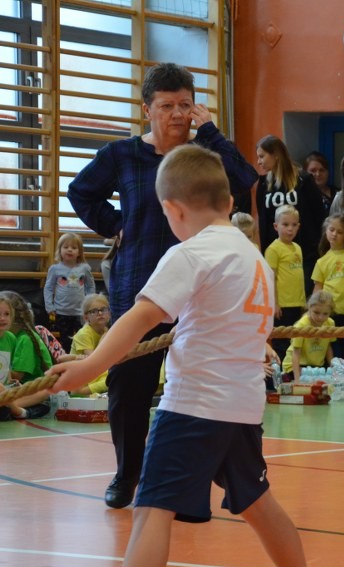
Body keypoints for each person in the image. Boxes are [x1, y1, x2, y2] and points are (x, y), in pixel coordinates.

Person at [37, 145, 324, 567]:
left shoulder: (190, 254)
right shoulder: (254, 259)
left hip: (194, 406)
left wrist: (87, 366)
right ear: (228, 200)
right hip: (242, 406)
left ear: (171, 209)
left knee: (151, 510)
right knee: (258, 502)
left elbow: (139, 318)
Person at [67, 62, 258, 509]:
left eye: (184, 105)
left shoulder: (203, 156)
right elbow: (81, 192)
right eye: (167, 106)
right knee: (128, 386)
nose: (177, 114)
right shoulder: (121, 155)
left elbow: (245, 180)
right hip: (142, 285)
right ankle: (127, 473)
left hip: (203, 293)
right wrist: (116, 224)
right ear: (146, 109)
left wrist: (209, 132)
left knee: (209, 383)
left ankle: (225, 478)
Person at [255, 135, 326, 288]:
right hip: (276, 254)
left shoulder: (304, 180)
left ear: (275, 154)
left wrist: (316, 249)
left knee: (303, 295)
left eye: (262, 156)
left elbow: (319, 215)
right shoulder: (263, 184)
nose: (258, 161)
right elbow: (263, 222)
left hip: (304, 253)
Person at [312, 214, 344, 361]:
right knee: (335, 352)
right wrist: (313, 311)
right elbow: (318, 289)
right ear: (326, 230)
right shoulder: (322, 261)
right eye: (331, 230)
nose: (334, 234)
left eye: (340, 232)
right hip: (331, 313)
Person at [0, 291, 53, 421]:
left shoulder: (12, 338)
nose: (2, 318)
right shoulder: (19, 338)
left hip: (7, 392)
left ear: (13, 317)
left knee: (45, 392)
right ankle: (18, 411)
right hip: (4, 392)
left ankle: (10, 408)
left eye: (6, 314)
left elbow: (9, 370)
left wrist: (12, 382)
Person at [265, 205, 306, 359]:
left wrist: (303, 302)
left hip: (297, 302)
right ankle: (281, 369)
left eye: (294, 225)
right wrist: (274, 303)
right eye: (286, 224)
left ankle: (292, 368)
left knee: (296, 340)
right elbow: (271, 278)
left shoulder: (298, 248)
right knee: (282, 341)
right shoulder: (273, 249)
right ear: (276, 226)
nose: (290, 229)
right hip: (283, 304)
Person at [44, 232, 96, 353]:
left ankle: (82, 360)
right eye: (66, 247)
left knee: (82, 338)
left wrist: (90, 305)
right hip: (62, 312)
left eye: (74, 247)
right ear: (60, 250)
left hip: (80, 312)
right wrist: (49, 306)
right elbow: (48, 288)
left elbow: (90, 286)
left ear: (79, 252)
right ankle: (67, 359)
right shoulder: (55, 269)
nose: (69, 250)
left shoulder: (84, 268)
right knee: (65, 340)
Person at [282, 290, 336, 381]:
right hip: (294, 366)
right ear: (309, 308)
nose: (320, 317)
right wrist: (297, 380)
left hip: (316, 367)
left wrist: (332, 370)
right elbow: (296, 353)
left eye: (325, 314)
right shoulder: (301, 325)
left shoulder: (330, 323)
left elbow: (328, 347)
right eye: (316, 313)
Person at [68, 293, 112, 396]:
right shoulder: (84, 333)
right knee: (113, 377)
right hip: (81, 377)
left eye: (103, 309)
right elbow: (95, 360)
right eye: (94, 311)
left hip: (96, 372)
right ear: (86, 317)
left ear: (109, 313)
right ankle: (82, 392)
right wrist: (103, 340)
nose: (100, 313)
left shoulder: (106, 330)